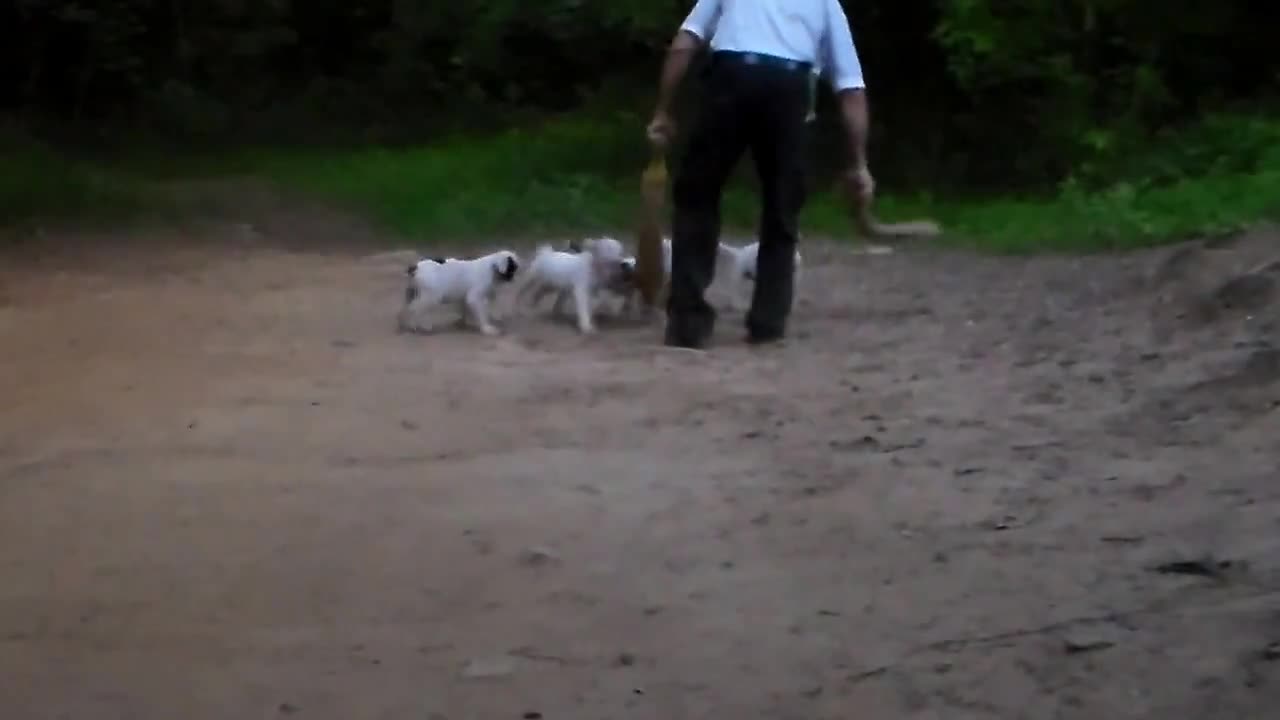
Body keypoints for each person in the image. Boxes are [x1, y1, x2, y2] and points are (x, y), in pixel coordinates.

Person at [646, 0, 875, 349]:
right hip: (789, 86)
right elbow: (851, 89)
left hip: (731, 78)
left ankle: (687, 323)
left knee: (697, 196)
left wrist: (663, 111)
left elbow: (685, 42)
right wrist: (859, 163)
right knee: (782, 208)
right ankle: (768, 323)